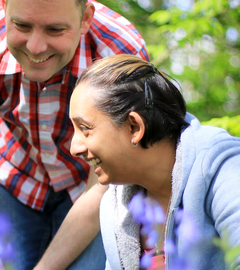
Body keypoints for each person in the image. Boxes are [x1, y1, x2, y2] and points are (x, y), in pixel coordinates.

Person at [0, 0, 149, 268]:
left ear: (85, 19)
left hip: (92, 183)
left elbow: (104, 186)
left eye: (55, 30)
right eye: (22, 25)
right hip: (10, 174)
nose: (35, 47)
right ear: (4, 7)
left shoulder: (120, 55)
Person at [69, 54, 240, 269]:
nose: (74, 148)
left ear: (134, 127)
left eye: (85, 128)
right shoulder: (114, 207)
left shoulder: (224, 169)